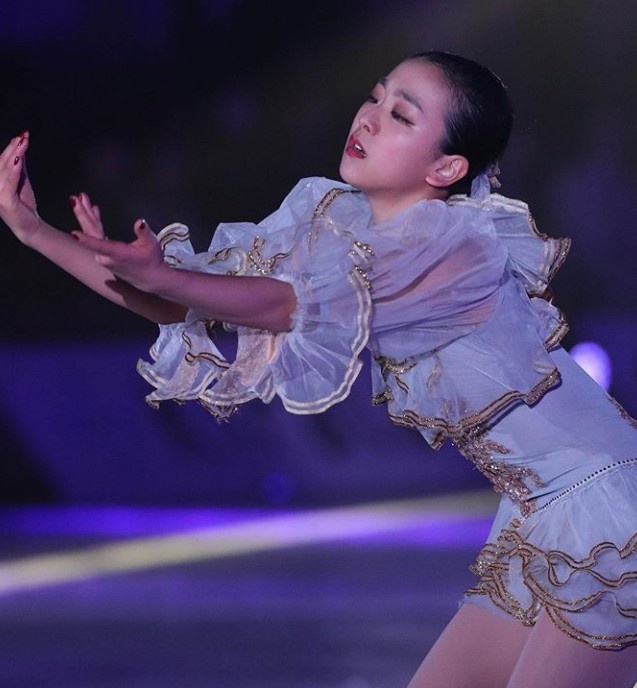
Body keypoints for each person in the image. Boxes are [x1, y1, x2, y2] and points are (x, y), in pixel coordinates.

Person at [0, 50, 636, 687]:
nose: (370, 118)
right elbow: (190, 300)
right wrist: (35, 232)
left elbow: (282, 305)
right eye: (376, 96)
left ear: (446, 167)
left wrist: (164, 276)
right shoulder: (337, 225)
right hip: (539, 513)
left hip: (609, 508)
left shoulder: (455, 246)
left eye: (401, 115)